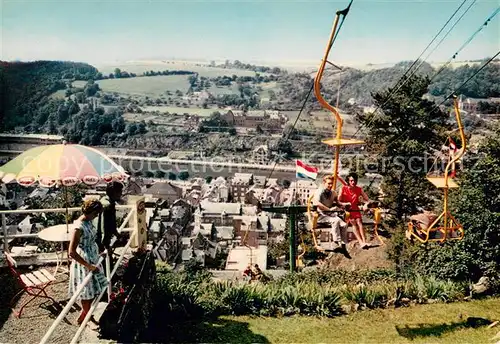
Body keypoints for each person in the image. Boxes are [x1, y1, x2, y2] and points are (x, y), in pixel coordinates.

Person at [69, 199, 108, 325]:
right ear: (90, 211)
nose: (96, 216)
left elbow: (91, 240)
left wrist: (98, 254)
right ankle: (87, 316)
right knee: (87, 291)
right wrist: (88, 266)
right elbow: (72, 252)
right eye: (96, 213)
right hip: (84, 262)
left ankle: (85, 313)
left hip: (93, 257)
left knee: (95, 289)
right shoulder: (78, 227)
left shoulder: (89, 221)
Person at [312, 175, 351, 257]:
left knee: (344, 224)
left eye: (331, 184)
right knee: (336, 220)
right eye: (328, 183)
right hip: (321, 215)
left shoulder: (333, 193)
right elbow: (316, 203)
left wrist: (345, 204)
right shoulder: (319, 191)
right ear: (324, 183)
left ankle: (343, 245)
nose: (330, 185)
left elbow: (338, 203)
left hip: (330, 214)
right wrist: (328, 209)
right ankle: (336, 242)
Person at [338, 173, 370, 249]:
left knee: (359, 222)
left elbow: (367, 199)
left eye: (355, 180)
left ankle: (364, 241)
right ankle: (360, 242)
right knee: (354, 223)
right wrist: (345, 204)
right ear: (348, 181)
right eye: (351, 180)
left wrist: (366, 205)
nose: (353, 182)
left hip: (355, 209)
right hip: (347, 210)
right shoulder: (343, 188)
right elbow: (338, 201)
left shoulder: (358, 189)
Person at [96, 181, 124, 255]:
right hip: (101, 241)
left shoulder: (110, 202)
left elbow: (112, 223)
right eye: (120, 192)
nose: (121, 194)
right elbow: (103, 225)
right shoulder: (107, 204)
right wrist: (104, 245)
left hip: (103, 240)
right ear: (114, 192)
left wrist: (116, 234)